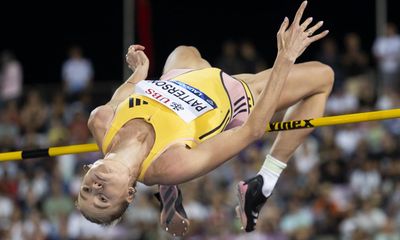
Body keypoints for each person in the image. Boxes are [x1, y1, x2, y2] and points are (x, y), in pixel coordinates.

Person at [76, 1, 332, 237]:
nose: (96, 189)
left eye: (86, 190)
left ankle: (168, 190)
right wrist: (284, 59)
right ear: (129, 193)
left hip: (179, 79)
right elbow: (252, 130)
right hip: (232, 95)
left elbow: (124, 94)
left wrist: (139, 72)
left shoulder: (100, 122)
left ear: (87, 172)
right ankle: (265, 181)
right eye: (103, 199)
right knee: (323, 76)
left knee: (185, 49)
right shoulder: (169, 164)